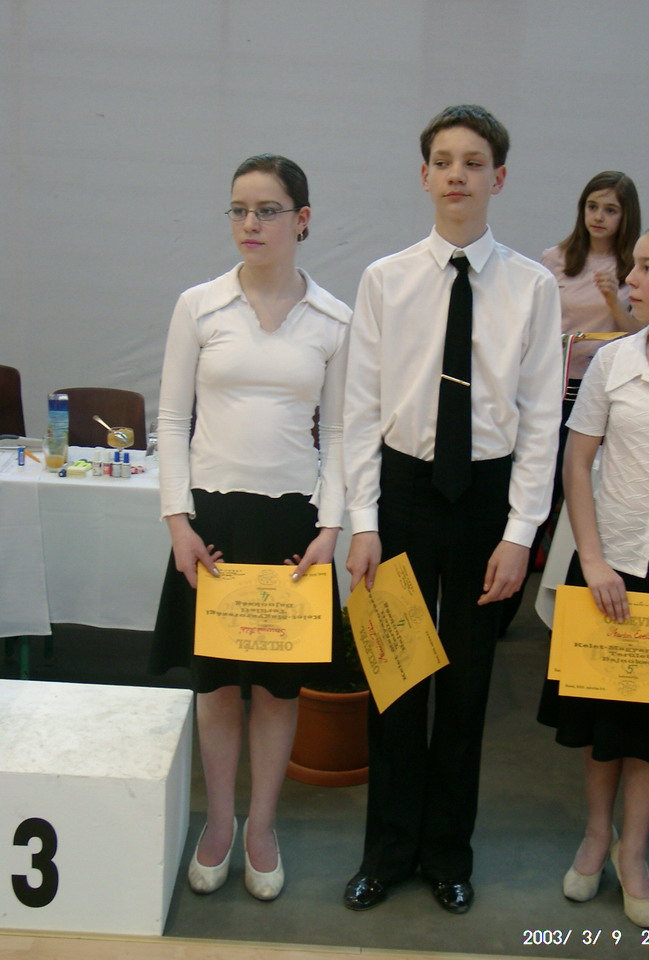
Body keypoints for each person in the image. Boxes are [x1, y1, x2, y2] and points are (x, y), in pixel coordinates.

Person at [342, 104, 562, 914]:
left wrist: (520, 534)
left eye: (474, 162)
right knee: (395, 681)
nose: (457, 175)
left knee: (467, 691)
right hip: (402, 495)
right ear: (424, 175)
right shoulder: (386, 279)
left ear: (498, 178)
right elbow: (360, 411)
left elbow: (541, 420)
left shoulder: (533, 288)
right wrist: (365, 522)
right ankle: (386, 852)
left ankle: (446, 854)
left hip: (486, 503)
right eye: (443, 161)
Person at [150, 154, 350, 901]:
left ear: (302, 219)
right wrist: (178, 521)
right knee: (215, 687)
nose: (250, 223)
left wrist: (331, 527)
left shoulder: (334, 319)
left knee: (275, 687)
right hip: (213, 521)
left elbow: (344, 432)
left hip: (294, 525)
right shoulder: (198, 306)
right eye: (238, 209)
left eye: (267, 210)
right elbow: (173, 420)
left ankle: (261, 826)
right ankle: (218, 822)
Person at [538, 219, 649, 927]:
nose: (630, 279)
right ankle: (595, 836)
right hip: (607, 569)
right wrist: (591, 558)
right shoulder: (613, 362)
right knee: (602, 718)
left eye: (647, 268)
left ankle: (633, 850)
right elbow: (578, 461)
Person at [501, 171, 642, 635]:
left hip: (600, 395)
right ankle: (500, 608)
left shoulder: (633, 268)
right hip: (549, 389)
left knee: (585, 499)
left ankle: (582, 614)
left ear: (626, 217)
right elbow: (533, 323)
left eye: (611, 210)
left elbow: (639, 337)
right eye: (592, 207)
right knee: (531, 494)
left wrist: (612, 299)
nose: (599, 217)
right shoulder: (556, 259)